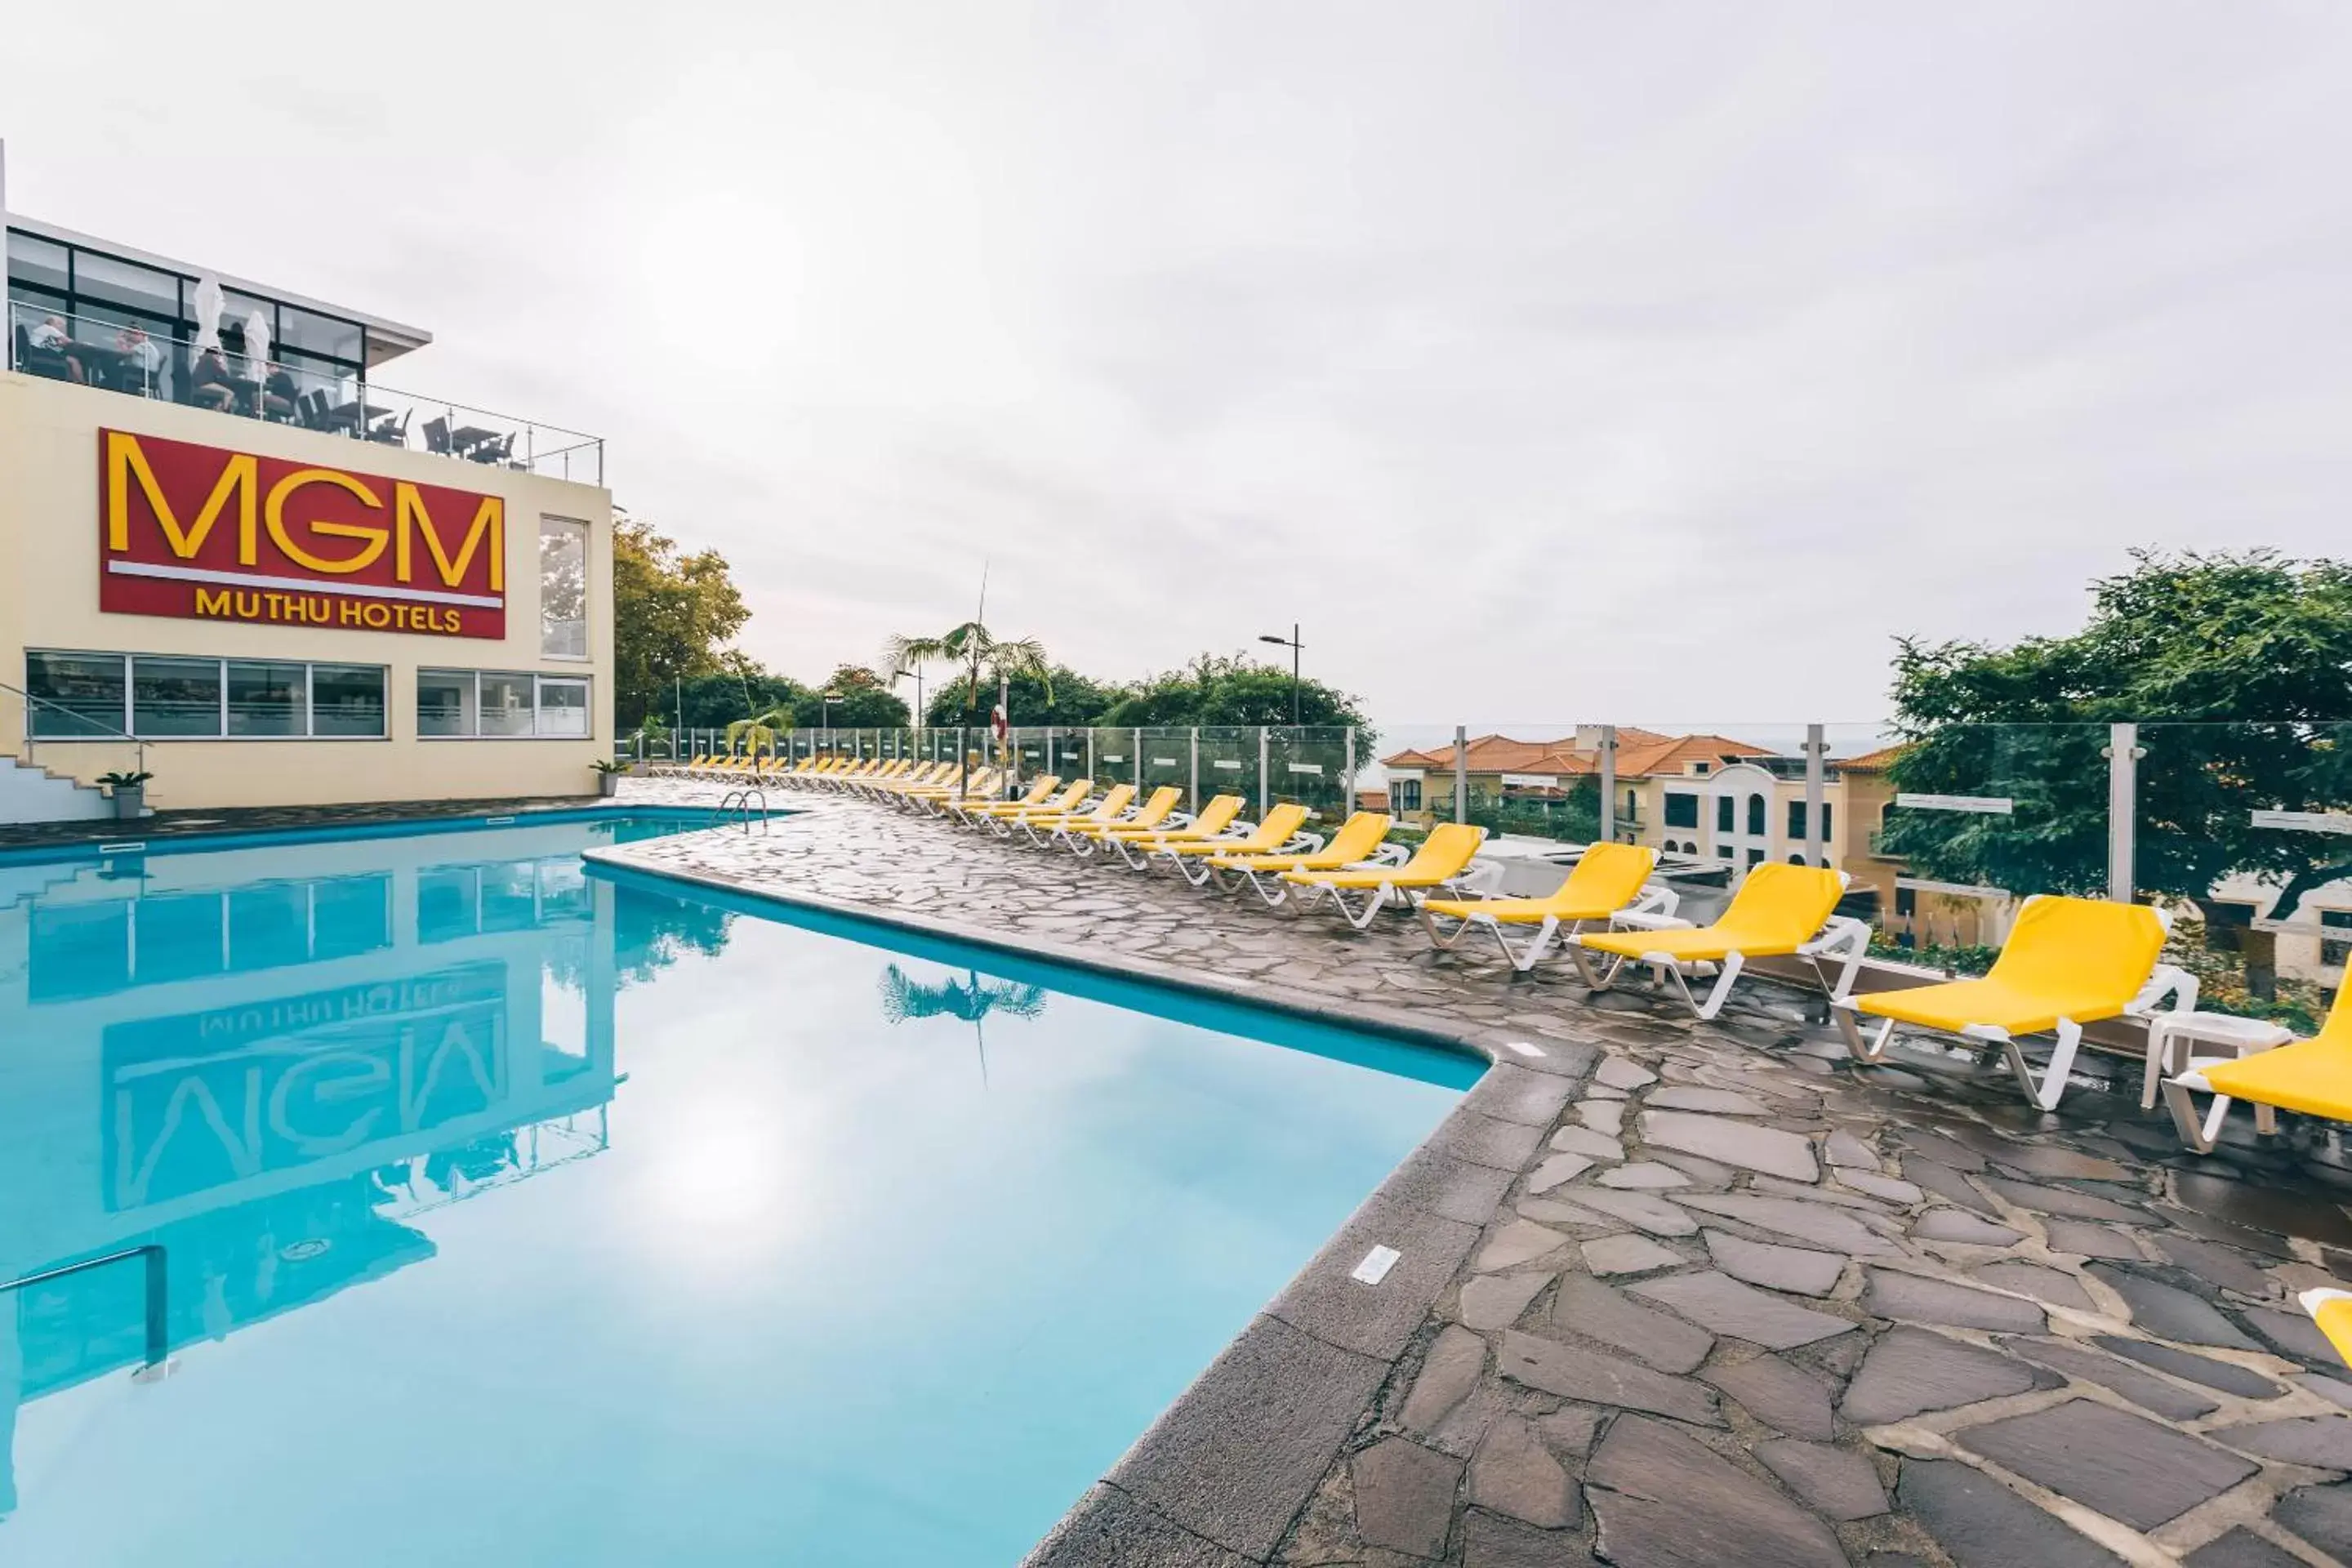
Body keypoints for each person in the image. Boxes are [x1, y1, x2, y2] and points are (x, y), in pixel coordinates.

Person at [26, 314, 86, 381]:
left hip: (39, 352)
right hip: (39, 351)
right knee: (74, 361)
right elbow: (68, 341)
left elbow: (60, 344)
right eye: (60, 324)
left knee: (67, 361)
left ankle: (72, 381)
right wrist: (84, 344)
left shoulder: (45, 331)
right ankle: (83, 383)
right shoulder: (48, 328)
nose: (61, 328)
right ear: (52, 323)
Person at [114, 325, 163, 393]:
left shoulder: (144, 345)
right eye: (132, 333)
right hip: (148, 373)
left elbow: (126, 352)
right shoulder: (148, 345)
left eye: (136, 334)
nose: (132, 335)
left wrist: (120, 341)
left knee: (115, 368)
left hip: (144, 374)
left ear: (143, 335)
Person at [189, 345, 238, 412]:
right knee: (230, 393)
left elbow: (218, 376)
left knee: (224, 392)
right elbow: (222, 375)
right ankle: (225, 411)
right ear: (210, 353)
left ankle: (219, 409)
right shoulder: (209, 359)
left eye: (219, 354)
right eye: (215, 353)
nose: (218, 355)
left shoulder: (204, 360)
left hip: (202, 383)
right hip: (204, 384)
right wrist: (223, 367)